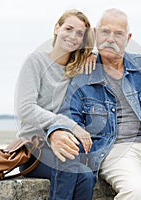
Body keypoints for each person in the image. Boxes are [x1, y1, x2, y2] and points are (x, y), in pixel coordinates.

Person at [55, 8, 141, 199]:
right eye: (105, 32)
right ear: (95, 34)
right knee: (136, 192)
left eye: (118, 34)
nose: (110, 39)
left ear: (128, 38)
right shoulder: (82, 77)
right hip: (115, 150)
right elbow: (68, 117)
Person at [14, 9, 96, 200]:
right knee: (69, 167)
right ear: (57, 28)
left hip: (64, 148)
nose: (72, 36)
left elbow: (112, 59)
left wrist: (93, 55)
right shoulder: (35, 61)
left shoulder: (77, 69)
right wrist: (70, 125)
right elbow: (25, 108)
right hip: (35, 148)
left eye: (79, 34)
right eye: (68, 28)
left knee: (86, 176)